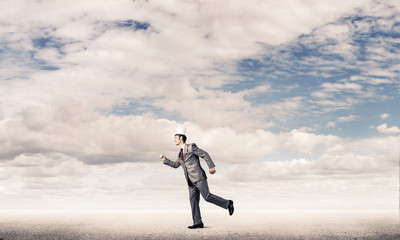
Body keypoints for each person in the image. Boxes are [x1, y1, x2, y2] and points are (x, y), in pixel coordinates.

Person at [160, 126, 234, 229]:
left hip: (198, 177)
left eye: (175, 137)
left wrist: (211, 166)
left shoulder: (191, 147)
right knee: (193, 201)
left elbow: (204, 154)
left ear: (181, 138)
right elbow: (176, 165)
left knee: (207, 196)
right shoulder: (180, 153)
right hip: (190, 181)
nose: (174, 139)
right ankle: (197, 222)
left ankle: (228, 203)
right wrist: (165, 159)